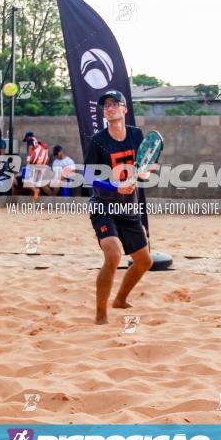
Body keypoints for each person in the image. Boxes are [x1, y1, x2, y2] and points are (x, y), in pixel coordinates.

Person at [84, 90, 153, 325]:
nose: (110, 108)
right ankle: (100, 314)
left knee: (145, 262)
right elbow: (89, 177)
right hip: (103, 205)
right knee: (113, 255)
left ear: (125, 109)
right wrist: (115, 187)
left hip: (128, 208)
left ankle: (120, 300)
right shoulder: (98, 140)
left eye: (115, 104)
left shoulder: (136, 135)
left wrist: (145, 172)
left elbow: (146, 162)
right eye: (106, 105)